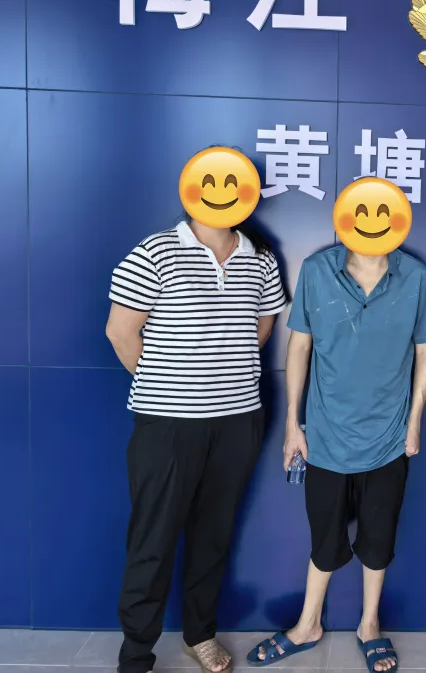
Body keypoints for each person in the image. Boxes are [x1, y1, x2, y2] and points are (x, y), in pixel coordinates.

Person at [248, 201, 426, 672]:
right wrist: (292, 424)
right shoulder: (317, 270)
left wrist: (415, 419)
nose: (371, 220)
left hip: (389, 437)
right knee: (324, 539)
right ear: (344, 218)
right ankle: (307, 625)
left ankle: (369, 625)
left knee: (378, 540)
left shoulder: (415, 276)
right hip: (324, 435)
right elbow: (299, 346)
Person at [106, 208, 286, 673]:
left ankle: (199, 635)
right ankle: (136, 655)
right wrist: (170, 384)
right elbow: (121, 332)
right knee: (153, 539)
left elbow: (263, 325)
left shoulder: (261, 257)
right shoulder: (155, 251)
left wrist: (221, 372)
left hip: (238, 419)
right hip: (168, 423)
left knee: (213, 535)